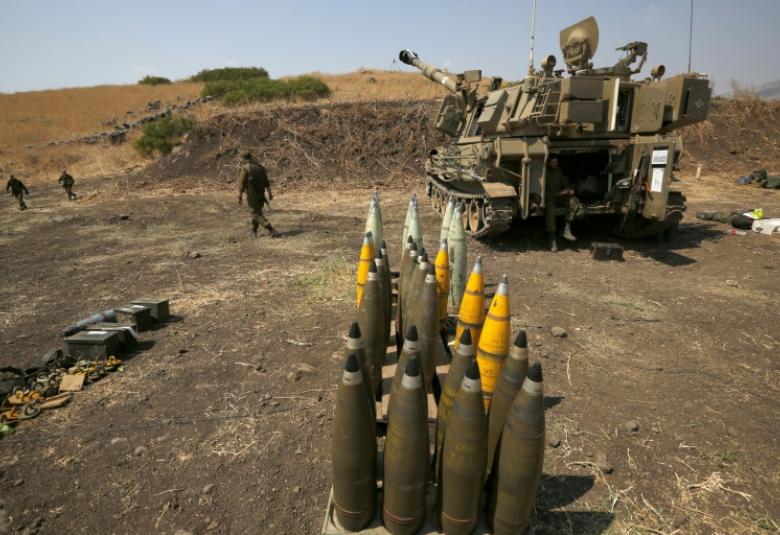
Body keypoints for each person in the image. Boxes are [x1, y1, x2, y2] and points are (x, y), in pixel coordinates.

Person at [237, 151, 278, 237]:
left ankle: (271, 229)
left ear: (243, 158)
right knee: (257, 212)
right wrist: (270, 194)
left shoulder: (245, 168)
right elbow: (267, 183)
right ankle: (254, 231)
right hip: (261, 195)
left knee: (255, 214)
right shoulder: (260, 167)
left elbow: (242, 185)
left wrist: (240, 196)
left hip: (252, 196)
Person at [544, 157, 580, 252]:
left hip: (559, 196)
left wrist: (569, 190)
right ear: (548, 162)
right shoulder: (544, 173)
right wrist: (559, 193)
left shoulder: (558, 171)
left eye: (556, 162)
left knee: (573, 201)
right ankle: (552, 238)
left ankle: (566, 229)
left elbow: (565, 183)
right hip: (548, 198)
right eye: (553, 162)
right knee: (551, 212)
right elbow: (543, 193)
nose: (555, 164)